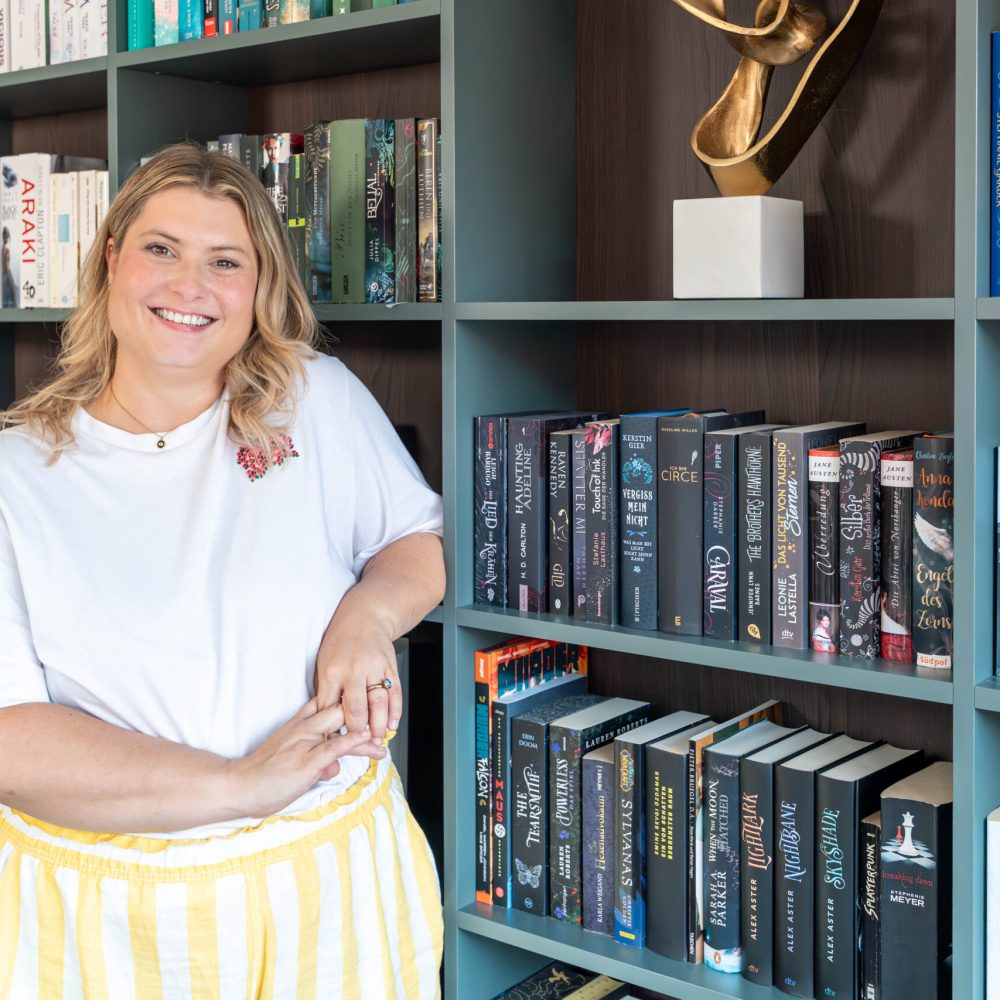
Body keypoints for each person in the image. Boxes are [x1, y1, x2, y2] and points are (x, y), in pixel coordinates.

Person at [0, 143, 445, 998]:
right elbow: (13, 742)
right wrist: (239, 786)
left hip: (333, 881)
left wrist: (367, 617)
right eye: (162, 249)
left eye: (225, 261)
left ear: (257, 288)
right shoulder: (17, 476)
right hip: (107, 920)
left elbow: (413, 544)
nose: (189, 285)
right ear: (110, 262)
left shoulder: (314, 399)